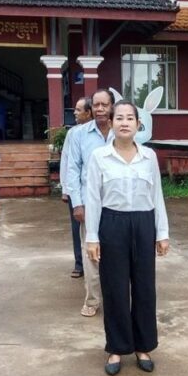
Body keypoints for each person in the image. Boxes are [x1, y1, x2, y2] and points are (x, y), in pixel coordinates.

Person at [85, 101, 169, 376]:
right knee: (115, 288)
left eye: (130, 118)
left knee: (144, 287)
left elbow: (157, 195)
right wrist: (92, 237)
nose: (124, 122)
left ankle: (143, 346)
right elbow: (93, 198)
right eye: (119, 118)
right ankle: (117, 347)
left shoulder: (149, 156)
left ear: (138, 124)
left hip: (144, 224)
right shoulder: (100, 156)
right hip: (112, 224)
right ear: (111, 122)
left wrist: (162, 232)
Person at [66, 89, 114, 317]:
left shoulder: (121, 132)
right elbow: (73, 169)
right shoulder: (79, 135)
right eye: (96, 105)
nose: (100, 109)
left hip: (117, 206)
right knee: (92, 254)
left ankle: (116, 298)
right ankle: (93, 300)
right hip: (89, 205)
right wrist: (77, 203)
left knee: (116, 253)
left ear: (112, 107)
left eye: (105, 105)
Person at [60, 97, 92, 279]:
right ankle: (79, 263)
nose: (75, 113)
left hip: (93, 190)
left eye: (79, 110)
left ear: (88, 113)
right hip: (75, 190)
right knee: (77, 228)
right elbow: (66, 160)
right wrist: (66, 189)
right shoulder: (73, 133)